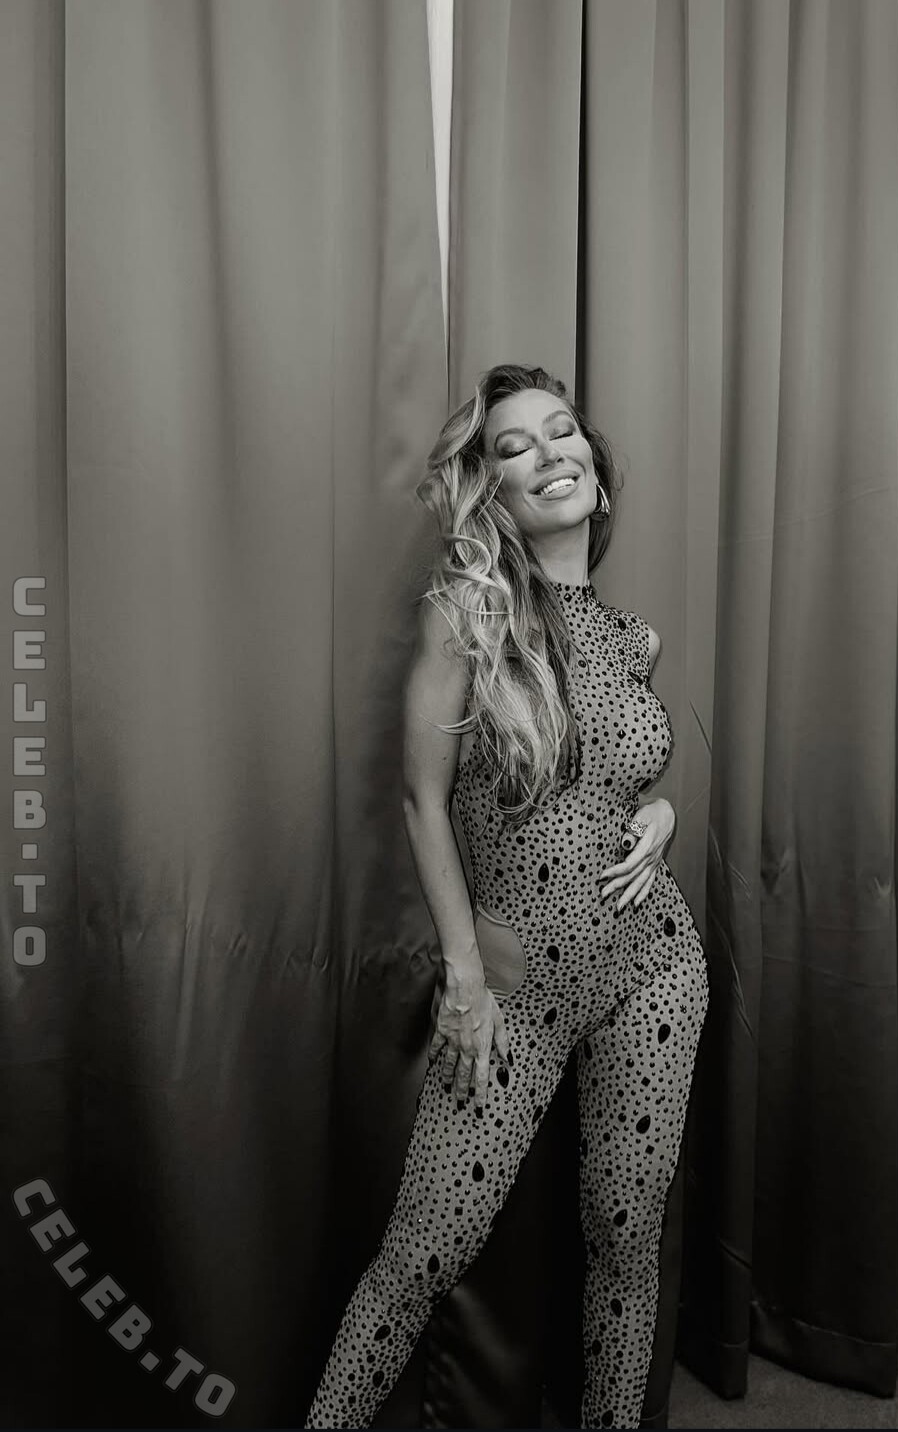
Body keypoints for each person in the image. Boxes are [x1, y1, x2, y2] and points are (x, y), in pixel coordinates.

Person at [305, 364, 709, 1430]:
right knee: (417, 1257)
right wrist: (463, 980)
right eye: (514, 445)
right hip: (515, 988)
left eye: (561, 431)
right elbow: (421, 800)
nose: (547, 453)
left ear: (595, 476)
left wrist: (661, 817)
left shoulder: (632, 638)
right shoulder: (469, 614)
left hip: (652, 970)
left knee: (624, 1242)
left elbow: (609, 777)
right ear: (492, 488)